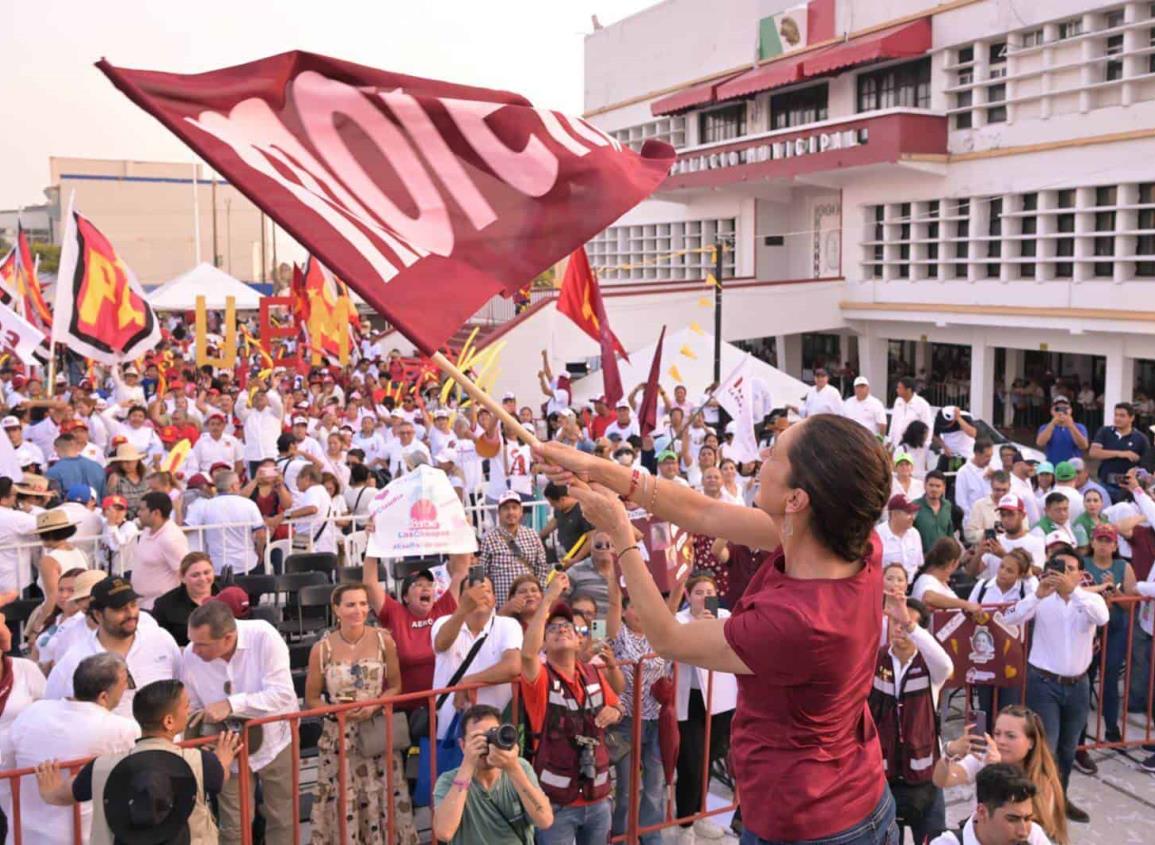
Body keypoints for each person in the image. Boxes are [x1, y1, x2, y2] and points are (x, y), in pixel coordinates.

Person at [534, 414, 899, 844]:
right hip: (854, 792)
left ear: (797, 499)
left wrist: (620, 533)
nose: (761, 457)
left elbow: (669, 637)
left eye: (775, 454)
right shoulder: (850, 542)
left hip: (809, 824)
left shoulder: (799, 623)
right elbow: (701, 511)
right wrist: (597, 469)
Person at [34, 678, 239, 845]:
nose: (190, 710)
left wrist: (48, 790)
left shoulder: (99, 767)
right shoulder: (202, 762)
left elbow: (62, 795)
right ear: (168, 721)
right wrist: (224, 758)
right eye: (186, 706)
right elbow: (219, 778)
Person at [304, 583, 419, 845]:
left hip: (376, 731)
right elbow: (311, 699)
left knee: (383, 795)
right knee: (342, 797)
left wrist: (375, 705)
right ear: (336, 609)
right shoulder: (322, 650)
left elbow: (396, 686)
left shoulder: (383, 640)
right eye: (351, 604)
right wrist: (337, 711)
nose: (359, 610)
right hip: (339, 737)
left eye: (363, 604)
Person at [1000, 546, 1108, 824]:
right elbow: (1009, 619)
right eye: (1060, 568)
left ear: (1080, 573)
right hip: (1044, 683)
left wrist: (1073, 591)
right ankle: (1035, 807)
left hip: (1079, 684)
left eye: (1070, 569)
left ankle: (1060, 800)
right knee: (1045, 748)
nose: (1064, 574)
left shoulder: (1087, 599)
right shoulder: (1040, 594)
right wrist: (1036, 596)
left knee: (1069, 748)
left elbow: (1103, 617)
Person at [180, 599, 297, 843]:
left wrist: (232, 705)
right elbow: (192, 705)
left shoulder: (264, 636)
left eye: (202, 644)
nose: (193, 650)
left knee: (283, 818)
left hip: (275, 743)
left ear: (228, 638)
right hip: (227, 752)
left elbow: (283, 693)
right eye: (192, 641)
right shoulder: (191, 656)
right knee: (234, 827)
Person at [518, 574, 621, 845]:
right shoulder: (539, 680)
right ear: (544, 643)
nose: (561, 629)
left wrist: (616, 712)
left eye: (567, 627)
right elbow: (527, 655)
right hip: (557, 804)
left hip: (598, 798)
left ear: (579, 642)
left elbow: (617, 704)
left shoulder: (592, 674)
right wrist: (550, 596)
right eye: (552, 629)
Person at [0, 653, 139, 844]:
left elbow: (5, 770)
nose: (127, 689)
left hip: (24, 834)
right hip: (80, 836)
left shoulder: (33, 711)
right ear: (104, 696)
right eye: (126, 684)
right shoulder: (121, 728)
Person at [869, 596, 952, 845]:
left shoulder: (931, 668)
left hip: (925, 772)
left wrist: (908, 620)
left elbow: (947, 665)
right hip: (883, 770)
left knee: (932, 839)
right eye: (895, 621)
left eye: (907, 624)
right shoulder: (875, 659)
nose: (900, 628)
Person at [45, 577, 182, 719]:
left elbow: (181, 689)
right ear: (98, 615)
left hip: (163, 740)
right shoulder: (75, 660)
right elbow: (53, 710)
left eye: (133, 604)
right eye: (120, 609)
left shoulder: (161, 640)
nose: (130, 614)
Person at [933, 706, 1067, 844]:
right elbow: (941, 780)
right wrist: (949, 753)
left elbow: (1021, 828)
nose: (1001, 741)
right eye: (997, 733)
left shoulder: (1043, 781)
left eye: (1010, 736)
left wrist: (996, 770)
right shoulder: (984, 757)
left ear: (1031, 742)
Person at [672, 573, 737, 842]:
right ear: (688, 596)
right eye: (699, 592)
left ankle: (701, 815)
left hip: (720, 698)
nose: (705, 597)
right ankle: (684, 823)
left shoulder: (725, 614)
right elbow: (677, 645)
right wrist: (699, 627)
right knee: (691, 761)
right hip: (691, 699)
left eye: (709, 591)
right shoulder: (680, 620)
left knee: (709, 759)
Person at [431, 703, 553, 844]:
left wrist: (513, 769)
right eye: (477, 739)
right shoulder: (448, 781)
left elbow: (545, 820)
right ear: (463, 745)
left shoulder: (520, 768)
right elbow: (443, 833)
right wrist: (468, 765)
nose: (486, 745)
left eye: (491, 736)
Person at [362, 554, 467, 704]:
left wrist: (462, 533)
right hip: (406, 707)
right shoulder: (395, 613)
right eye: (418, 585)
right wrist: (372, 547)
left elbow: (461, 573)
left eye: (429, 585)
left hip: (443, 703)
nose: (425, 587)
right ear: (405, 597)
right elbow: (370, 584)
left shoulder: (444, 607)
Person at [431, 575, 523, 740]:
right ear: (461, 599)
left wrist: (468, 682)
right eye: (472, 591)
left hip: (497, 730)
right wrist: (462, 610)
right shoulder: (443, 622)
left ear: (494, 599)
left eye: (486, 591)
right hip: (450, 731)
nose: (480, 596)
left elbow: (513, 666)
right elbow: (441, 644)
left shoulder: (508, 625)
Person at [1081, 523, 1135, 745]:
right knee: (1084, 679)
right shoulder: (1082, 564)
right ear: (1092, 542)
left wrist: (1115, 590)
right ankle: (1080, 732)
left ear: (1115, 545)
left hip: (1114, 630)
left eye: (1108, 541)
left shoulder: (1124, 566)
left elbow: (1131, 606)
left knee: (1110, 680)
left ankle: (1111, 727)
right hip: (1087, 631)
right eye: (1100, 540)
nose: (1103, 545)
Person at [927, 763, 1051, 845]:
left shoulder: (1034, 836)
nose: (1023, 831)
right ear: (982, 812)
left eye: (1028, 818)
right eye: (1012, 819)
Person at [185, 470, 267, 575]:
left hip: (218, 565)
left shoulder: (205, 506)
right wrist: (260, 551)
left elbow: (187, 528)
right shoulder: (249, 504)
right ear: (233, 486)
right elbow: (260, 534)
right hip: (247, 563)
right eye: (238, 484)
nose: (239, 486)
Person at [479, 491, 549, 605]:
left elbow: (541, 568)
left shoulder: (532, 535)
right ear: (499, 512)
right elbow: (482, 573)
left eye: (514, 508)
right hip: (503, 603)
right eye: (506, 508)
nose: (511, 512)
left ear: (521, 511)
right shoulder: (488, 538)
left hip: (530, 602)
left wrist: (538, 594)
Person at [131, 491, 190, 610]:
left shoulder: (171, 538)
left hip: (160, 608)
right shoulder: (147, 530)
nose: (138, 513)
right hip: (141, 604)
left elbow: (185, 571)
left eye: (142, 510)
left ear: (155, 513)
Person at [151, 552, 220, 646]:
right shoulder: (164, 605)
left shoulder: (228, 595)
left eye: (207, 572)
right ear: (182, 578)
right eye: (195, 575)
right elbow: (158, 642)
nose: (203, 578)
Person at [1089, 401, 1150, 502]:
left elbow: (1146, 465)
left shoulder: (1141, 438)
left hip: (1127, 488)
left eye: (1122, 416)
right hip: (1105, 484)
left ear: (1131, 418)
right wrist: (1121, 453)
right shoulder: (1105, 432)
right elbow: (1093, 452)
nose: (1117, 418)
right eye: (1116, 415)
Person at [911, 538, 980, 613]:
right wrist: (965, 604)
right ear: (952, 563)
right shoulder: (927, 580)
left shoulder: (938, 582)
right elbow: (928, 597)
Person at [540, 483, 595, 565]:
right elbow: (554, 521)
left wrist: (575, 560)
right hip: (563, 557)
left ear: (562, 499)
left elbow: (591, 538)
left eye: (553, 503)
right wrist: (538, 536)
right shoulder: (559, 509)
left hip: (580, 562)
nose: (552, 506)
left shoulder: (583, 511)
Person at [877, 494, 924, 582]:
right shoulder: (878, 535)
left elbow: (919, 564)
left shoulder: (915, 534)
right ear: (894, 514)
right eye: (908, 513)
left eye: (914, 513)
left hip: (910, 587)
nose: (913, 518)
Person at [962, 471, 1011, 546]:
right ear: (991, 485)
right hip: (986, 553)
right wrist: (989, 533)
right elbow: (969, 536)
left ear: (1010, 486)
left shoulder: (1016, 504)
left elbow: (1024, 530)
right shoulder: (979, 505)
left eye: (1004, 490)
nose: (1001, 493)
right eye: (997, 490)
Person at [1036, 397, 1088, 465]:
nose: (1061, 412)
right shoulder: (1045, 427)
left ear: (1070, 410)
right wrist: (1053, 423)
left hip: (1073, 469)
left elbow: (1084, 446)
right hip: (1053, 467)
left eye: (1065, 409)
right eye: (1058, 409)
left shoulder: (1079, 427)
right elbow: (1040, 443)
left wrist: (1071, 426)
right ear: (1052, 411)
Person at [888, 376, 934, 452]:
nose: (897, 390)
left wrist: (925, 446)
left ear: (908, 390)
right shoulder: (898, 401)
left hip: (914, 448)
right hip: (898, 446)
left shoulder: (922, 404)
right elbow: (894, 422)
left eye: (900, 388)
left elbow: (928, 426)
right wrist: (890, 440)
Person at [913, 471, 955, 553]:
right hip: (923, 559)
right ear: (925, 486)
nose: (934, 489)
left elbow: (950, 534)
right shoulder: (914, 506)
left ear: (943, 488)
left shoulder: (948, 506)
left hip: (944, 558)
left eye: (938, 486)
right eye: (931, 485)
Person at [954, 438, 994, 521]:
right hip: (972, 521)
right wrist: (973, 518)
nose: (989, 459)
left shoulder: (991, 469)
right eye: (987, 456)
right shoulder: (963, 472)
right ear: (977, 454)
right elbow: (961, 501)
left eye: (991, 456)